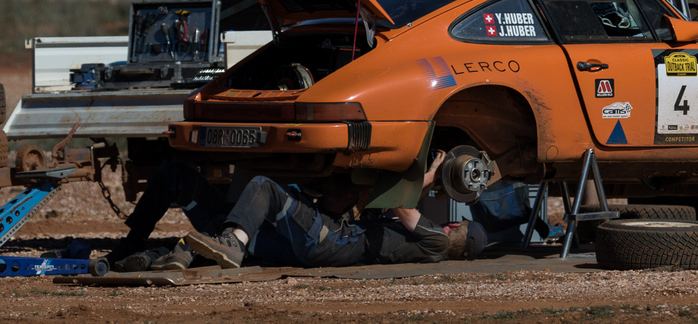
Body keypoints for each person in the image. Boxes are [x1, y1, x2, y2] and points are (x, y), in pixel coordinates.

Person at [108, 151, 486, 272]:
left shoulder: (436, 244)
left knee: (264, 187)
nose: (454, 222)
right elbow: (383, 203)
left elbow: (401, 204)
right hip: (320, 239)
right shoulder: (411, 238)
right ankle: (144, 251)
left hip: (333, 243)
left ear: (461, 242)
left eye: (461, 227)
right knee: (176, 175)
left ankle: (231, 244)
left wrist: (433, 174)